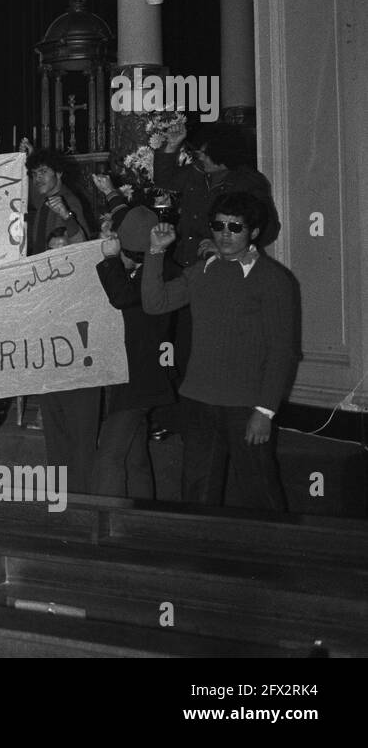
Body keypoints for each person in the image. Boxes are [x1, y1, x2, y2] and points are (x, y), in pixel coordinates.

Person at [141, 192, 296, 510]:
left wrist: (264, 411)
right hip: (198, 400)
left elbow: (282, 351)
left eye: (235, 227)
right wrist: (155, 252)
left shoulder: (273, 280)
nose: (225, 234)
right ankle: (201, 558)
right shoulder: (203, 271)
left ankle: (279, 557)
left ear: (253, 232)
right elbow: (155, 303)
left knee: (261, 493)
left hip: (245, 406)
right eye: (218, 225)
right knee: (197, 496)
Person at [23, 143, 99, 493]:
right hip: (45, 296)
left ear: (59, 175)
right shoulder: (43, 203)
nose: (37, 178)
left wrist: (67, 216)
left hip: (67, 302)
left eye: (43, 173)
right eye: (34, 173)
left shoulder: (67, 202)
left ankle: (77, 490)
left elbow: (83, 246)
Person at [92, 207, 177, 498]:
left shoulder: (153, 274)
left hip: (139, 376)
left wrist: (110, 259)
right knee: (134, 455)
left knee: (110, 455)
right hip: (142, 374)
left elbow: (121, 297)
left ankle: (103, 524)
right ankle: (143, 520)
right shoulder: (158, 268)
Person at [155, 121, 280, 268]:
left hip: (224, 269)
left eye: (206, 154)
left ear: (224, 155)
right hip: (186, 263)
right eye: (199, 153)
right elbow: (164, 180)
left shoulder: (248, 183)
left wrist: (226, 245)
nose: (201, 158)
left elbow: (268, 229)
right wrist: (172, 146)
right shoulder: (196, 172)